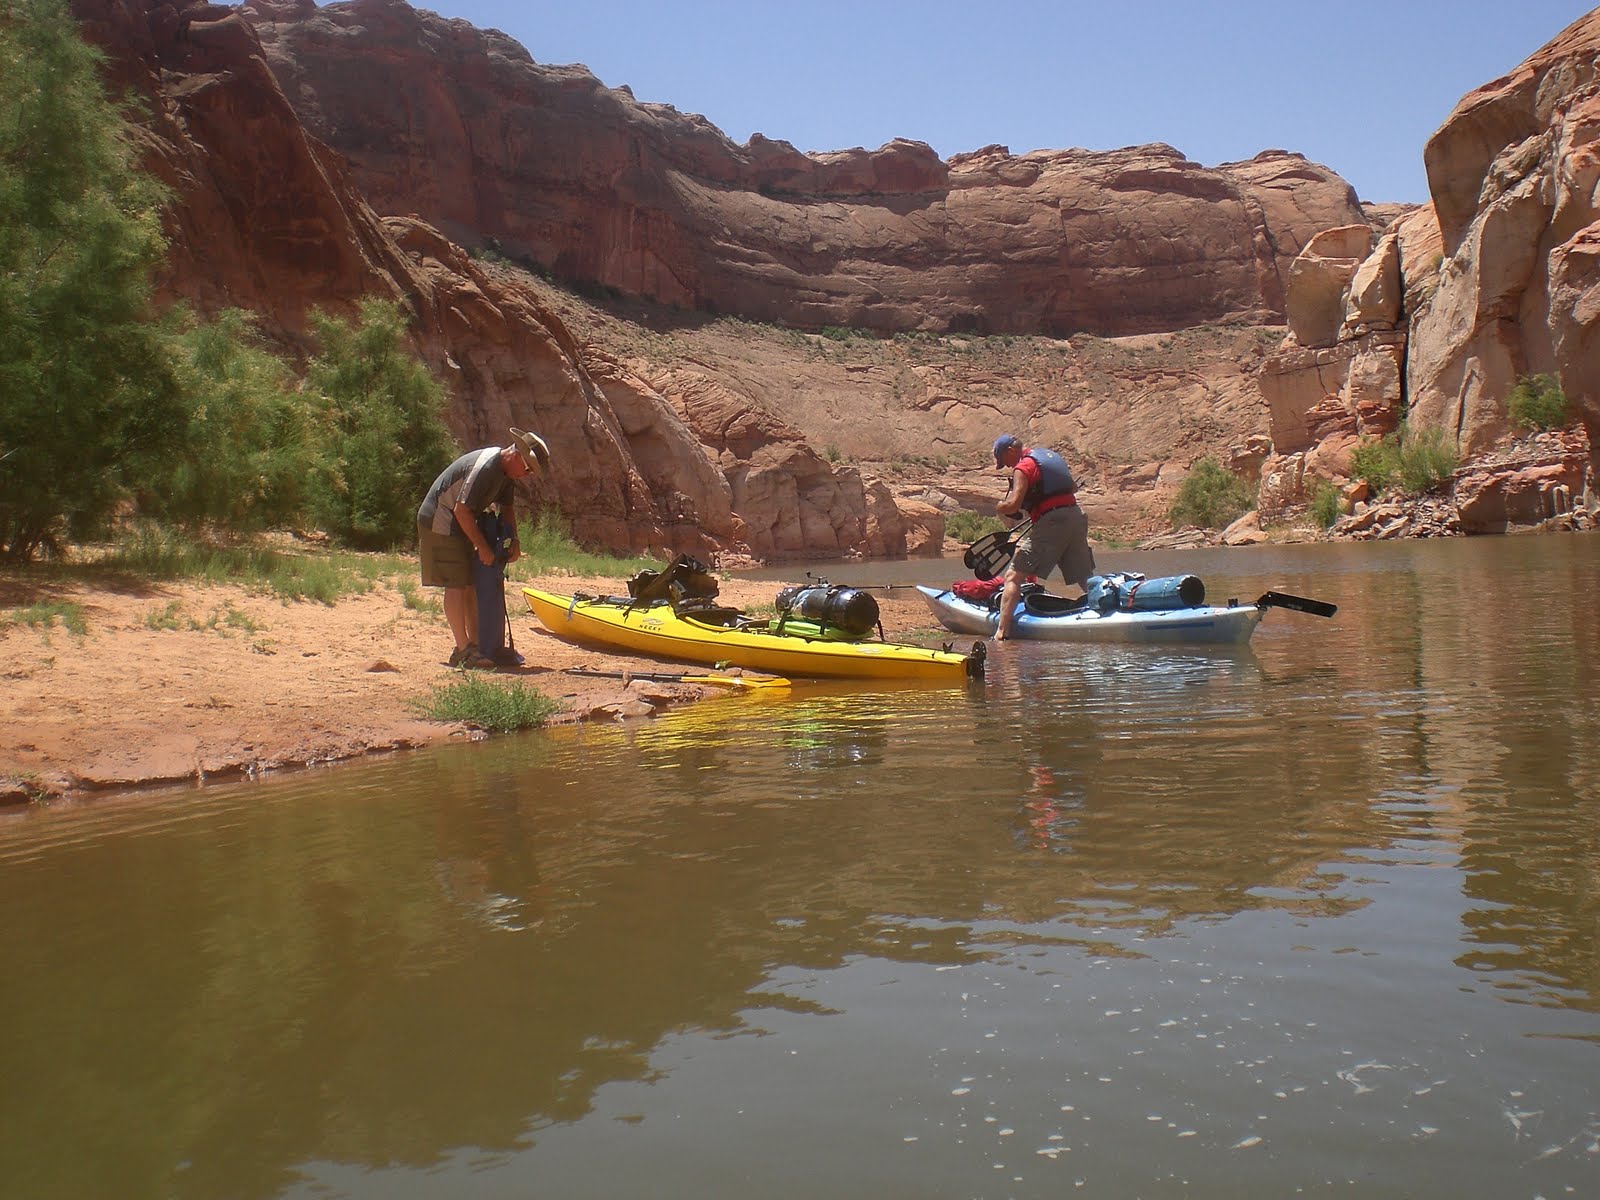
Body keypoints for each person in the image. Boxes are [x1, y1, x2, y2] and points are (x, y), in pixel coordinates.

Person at [417, 428, 550, 667]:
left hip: (459, 523)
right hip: (441, 519)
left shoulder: (506, 475)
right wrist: (483, 547)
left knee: (469, 583)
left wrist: (514, 540)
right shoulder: (487, 467)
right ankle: (463, 650)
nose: (527, 474)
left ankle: (476, 646)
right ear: (516, 455)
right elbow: (461, 510)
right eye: (527, 468)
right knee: (456, 583)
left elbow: (506, 508)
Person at [991, 433, 1095, 641]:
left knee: (1013, 577)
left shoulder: (1023, 467)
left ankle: (1002, 633)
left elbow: (1013, 505)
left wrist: (1000, 507)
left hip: (1052, 522)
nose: (1008, 466)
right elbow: (1072, 488)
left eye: (1004, 460)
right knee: (1084, 576)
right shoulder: (1049, 457)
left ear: (1010, 451)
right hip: (1076, 516)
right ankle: (1108, 610)